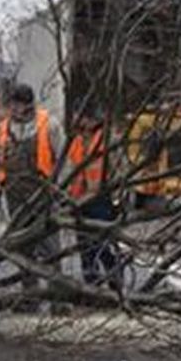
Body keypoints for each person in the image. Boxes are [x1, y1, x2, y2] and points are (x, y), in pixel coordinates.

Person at [0, 83, 63, 250]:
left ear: (28, 104)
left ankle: (51, 265)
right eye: (12, 104)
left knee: (48, 242)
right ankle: (25, 266)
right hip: (14, 194)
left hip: (43, 192)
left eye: (17, 104)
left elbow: (62, 158)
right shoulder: (3, 129)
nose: (13, 108)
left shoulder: (48, 124)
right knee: (21, 244)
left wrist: (62, 190)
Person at [66, 112, 121, 287]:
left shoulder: (108, 140)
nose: (78, 120)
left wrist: (117, 199)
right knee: (85, 248)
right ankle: (92, 286)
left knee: (102, 243)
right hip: (80, 201)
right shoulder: (77, 141)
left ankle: (115, 281)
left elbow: (118, 170)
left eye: (83, 116)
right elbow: (70, 170)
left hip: (101, 200)